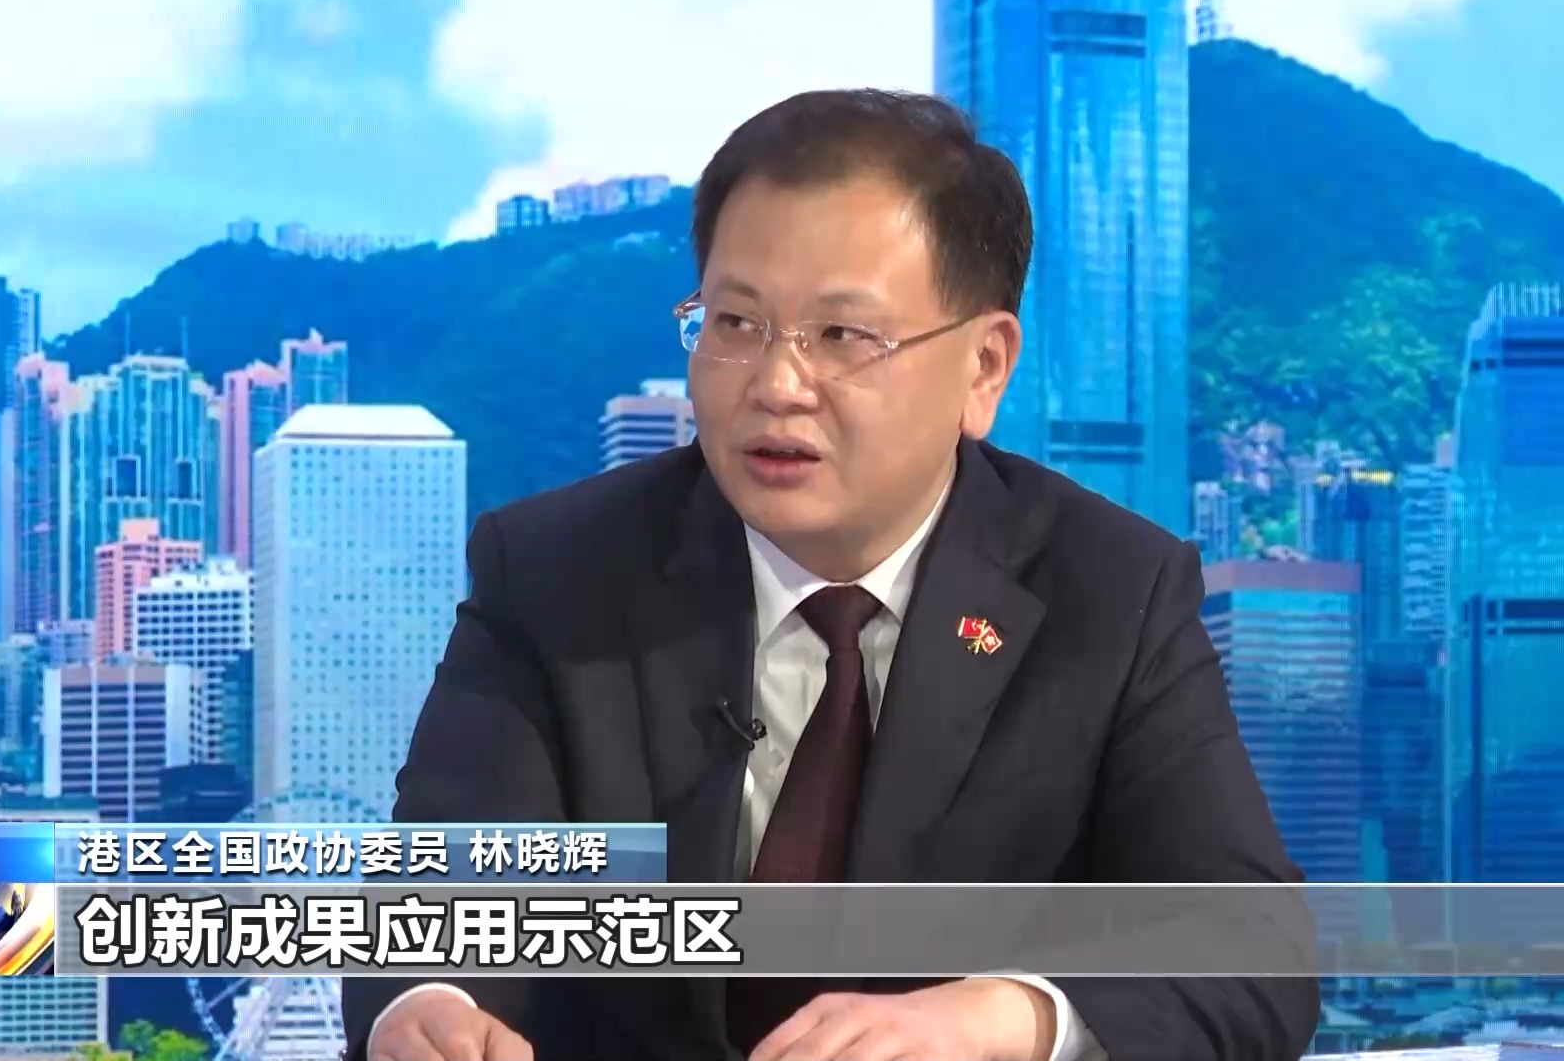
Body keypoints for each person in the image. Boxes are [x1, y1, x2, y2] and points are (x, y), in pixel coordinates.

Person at [344, 88, 1319, 1061]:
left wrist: (1000, 1019)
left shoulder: (1110, 593)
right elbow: (442, 894)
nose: (775, 385)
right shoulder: (554, 571)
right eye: (735, 323)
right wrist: (426, 1006)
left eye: (844, 338)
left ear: (984, 367)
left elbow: (1251, 951)